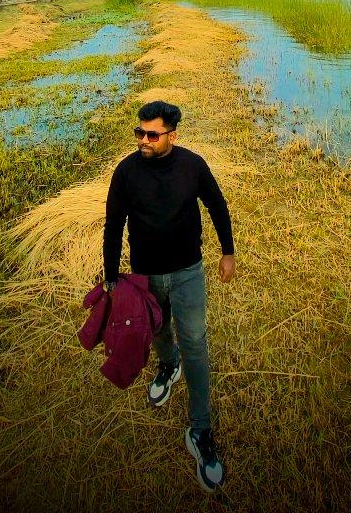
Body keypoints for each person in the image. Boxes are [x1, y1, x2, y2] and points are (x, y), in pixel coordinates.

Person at [103, 100, 235, 493]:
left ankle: (201, 431)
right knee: (157, 330)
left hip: (188, 271)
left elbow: (216, 205)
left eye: (152, 134)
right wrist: (112, 279)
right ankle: (167, 365)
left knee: (195, 342)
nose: (143, 140)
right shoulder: (125, 173)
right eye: (139, 133)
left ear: (171, 136)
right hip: (144, 275)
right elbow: (113, 225)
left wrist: (227, 252)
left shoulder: (192, 166)